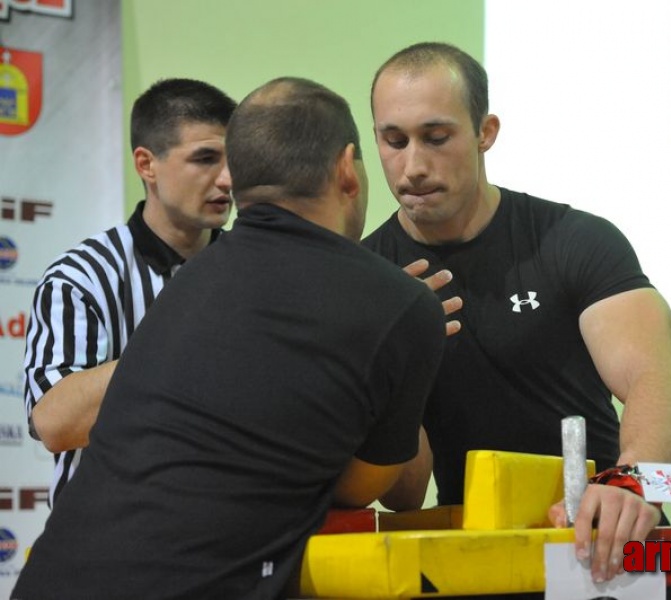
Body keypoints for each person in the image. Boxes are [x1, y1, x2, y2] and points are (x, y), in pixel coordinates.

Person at [12, 76, 446, 599]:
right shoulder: (96, 275)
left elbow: (400, 491)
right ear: (347, 170)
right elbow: (368, 488)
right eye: (201, 159)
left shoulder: (207, 274)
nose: (217, 182)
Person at [363, 41, 671, 590]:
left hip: (602, 549)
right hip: (476, 559)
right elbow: (402, 492)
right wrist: (386, 357)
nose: (414, 165)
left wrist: (632, 484)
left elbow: (665, 386)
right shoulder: (368, 278)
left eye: (436, 137)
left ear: (485, 132)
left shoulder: (573, 240)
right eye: (393, 141)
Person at [21, 78, 236, 507]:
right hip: (105, 548)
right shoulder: (81, 275)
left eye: (236, 160)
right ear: (146, 164)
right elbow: (55, 422)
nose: (229, 179)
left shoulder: (254, 268)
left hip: (222, 542)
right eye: (206, 158)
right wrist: (190, 345)